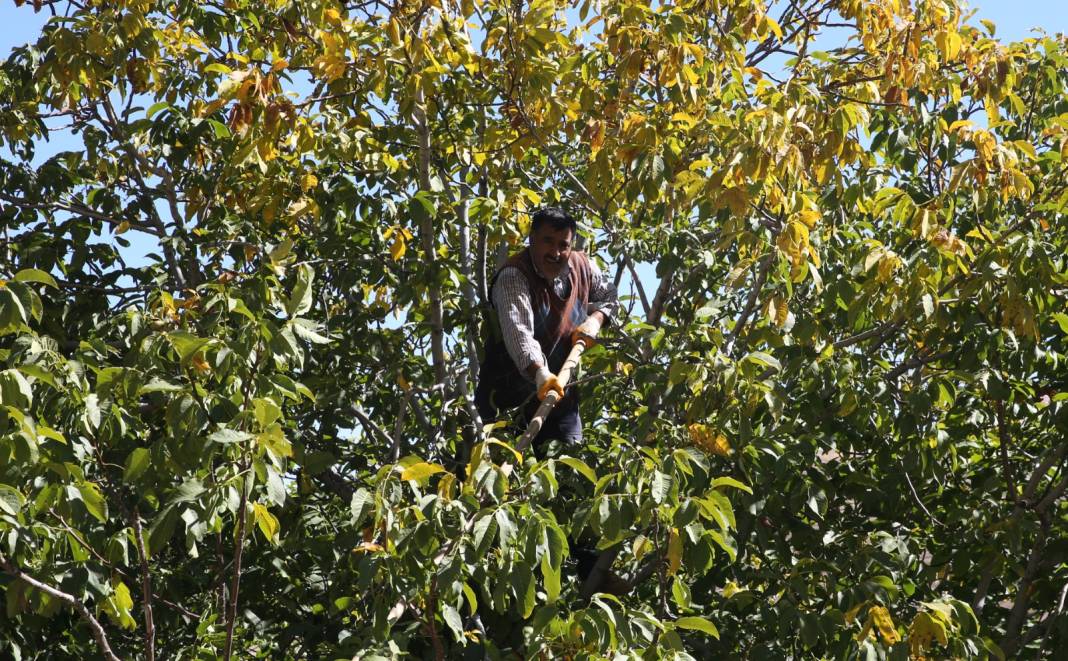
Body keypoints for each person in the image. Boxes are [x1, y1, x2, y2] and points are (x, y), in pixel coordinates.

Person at [475, 206, 617, 452]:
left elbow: (610, 296)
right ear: (532, 240)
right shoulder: (514, 276)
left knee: (568, 479)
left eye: (564, 245)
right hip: (504, 406)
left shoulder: (582, 266)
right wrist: (540, 373)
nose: (556, 252)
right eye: (548, 242)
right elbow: (518, 333)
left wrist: (596, 319)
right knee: (491, 480)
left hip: (562, 404)